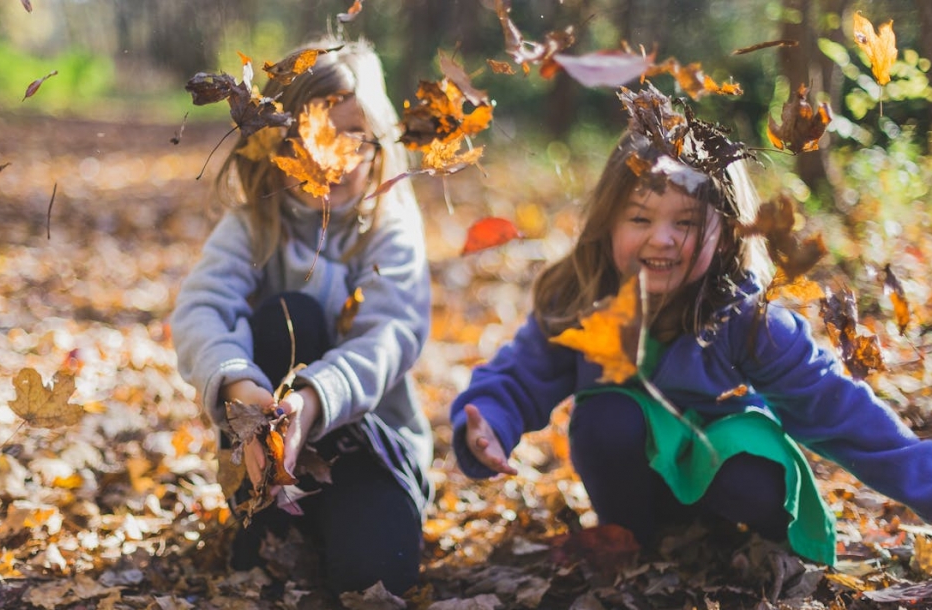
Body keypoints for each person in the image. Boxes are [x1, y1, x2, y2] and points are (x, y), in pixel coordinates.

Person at [449, 86, 932, 566]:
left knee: (747, 466)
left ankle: (744, 544)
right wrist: (490, 419)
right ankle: (633, 541)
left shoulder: (746, 318)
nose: (661, 239)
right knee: (606, 416)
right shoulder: (583, 298)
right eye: (639, 218)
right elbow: (520, 375)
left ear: (724, 234)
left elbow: (837, 407)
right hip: (638, 485)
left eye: (686, 223)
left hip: (730, 476)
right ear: (608, 222)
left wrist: (922, 481)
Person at [171, 38, 432, 596]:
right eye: (310, 135)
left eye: (351, 137)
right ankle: (267, 517)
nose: (331, 157)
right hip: (265, 455)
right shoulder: (253, 226)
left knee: (376, 580)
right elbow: (201, 309)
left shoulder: (388, 226)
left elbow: (391, 334)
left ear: (377, 142)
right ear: (274, 143)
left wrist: (312, 402)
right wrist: (241, 386)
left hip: (369, 451)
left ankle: (352, 524)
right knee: (288, 314)